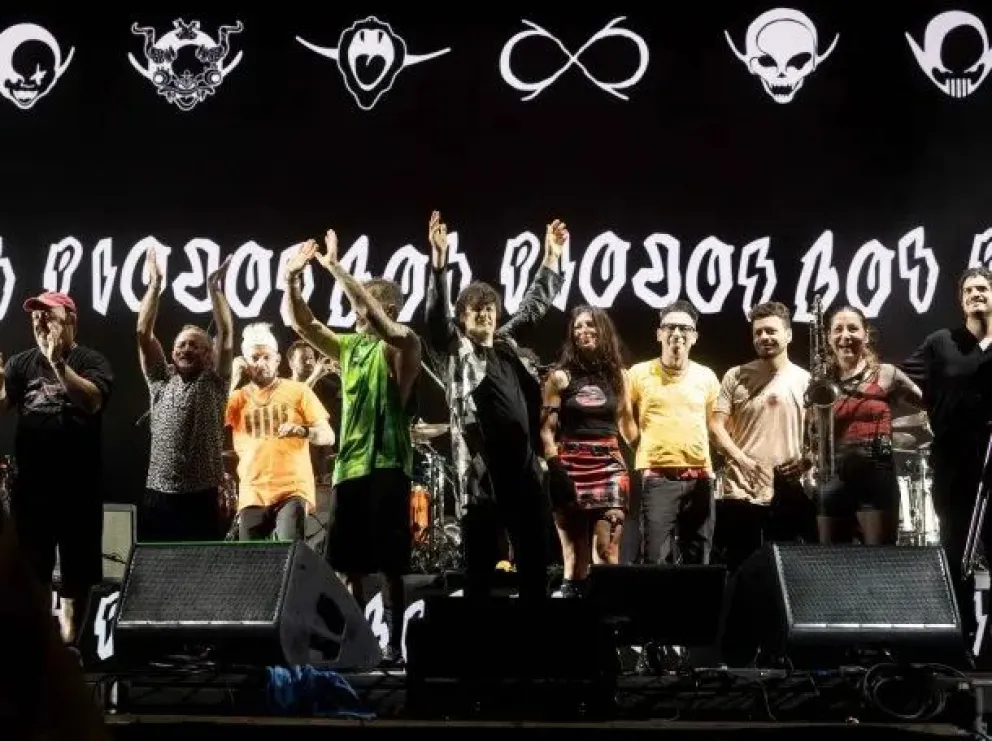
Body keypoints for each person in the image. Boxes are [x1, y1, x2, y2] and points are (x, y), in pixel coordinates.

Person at [285, 232, 420, 664]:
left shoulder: (404, 341)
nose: (356, 308)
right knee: (350, 565)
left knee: (391, 565)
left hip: (388, 465)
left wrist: (335, 267)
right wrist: (291, 281)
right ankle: (357, 643)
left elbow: (377, 319)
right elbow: (303, 325)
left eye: (367, 302)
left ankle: (394, 645)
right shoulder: (349, 347)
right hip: (351, 468)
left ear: (388, 310)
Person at [425, 210, 566, 600]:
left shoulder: (506, 346)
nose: (485, 313)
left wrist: (551, 258)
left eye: (489, 308)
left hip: (523, 473)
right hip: (481, 477)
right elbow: (435, 319)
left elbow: (533, 308)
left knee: (534, 569)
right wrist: (439, 264)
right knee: (480, 575)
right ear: (462, 318)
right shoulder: (457, 352)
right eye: (476, 309)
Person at [1, 291, 113, 645]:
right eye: (35, 317)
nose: (40, 322)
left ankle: (70, 647)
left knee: (76, 575)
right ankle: (39, 649)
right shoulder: (20, 363)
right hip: (31, 488)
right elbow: (3, 406)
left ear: (71, 321)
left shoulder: (90, 360)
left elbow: (92, 401)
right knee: (32, 571)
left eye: (48, 316)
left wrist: (58, 365)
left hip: (78, 487)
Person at [902, 266, 992, 642]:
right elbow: (904, 381)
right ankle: (961, 634)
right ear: (961, 300)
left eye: (983, 288)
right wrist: (933, 412)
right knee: (956, 545)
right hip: (954, 459)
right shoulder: (941, 343)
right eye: (969, 290)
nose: (976, 294)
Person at [708, 301, 815, 573]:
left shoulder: (806, 381)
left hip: (787, 490)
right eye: (758, 332)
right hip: (740, 490)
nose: (764, 337)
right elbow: (716, 426)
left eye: (771, 331)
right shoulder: (735, 375)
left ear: (788, 335)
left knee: (785, 572)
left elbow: (818, 437)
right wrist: (742, 460)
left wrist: (806, 462)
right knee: (740, 569)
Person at [136, 245, 234, 542]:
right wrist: (155, 285)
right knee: (157, 564)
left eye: (196, 345)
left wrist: (214, 290)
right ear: (172, 352)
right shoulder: (160, 380)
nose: (187, 349)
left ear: (209, 355)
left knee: (199, 565)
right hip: (159, 493)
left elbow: (226, 334)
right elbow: (143, 333)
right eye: (182, 344)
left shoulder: (214, 382)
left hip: (202, 495)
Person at [541, 306, 636, 597]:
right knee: (574, 559)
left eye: (590, 325)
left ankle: (608, 619)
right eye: (578, 326)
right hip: (570, 465)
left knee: (606, 551)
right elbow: (545, 431)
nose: (584, 331)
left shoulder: (620, 376)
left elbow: (627, 425)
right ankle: (574, 621)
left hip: (609, 465)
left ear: (603, 330)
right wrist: (555, 467)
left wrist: (652, 452)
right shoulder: (559, 377)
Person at [816, 305, 922, 545]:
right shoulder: (822, 382)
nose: (845, 335)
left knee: (878, 558)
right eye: (838, 330)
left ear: (865, 334)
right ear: (829, 338)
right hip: (835, 477)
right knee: (830, 561)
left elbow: (927, 406)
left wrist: (901, 433)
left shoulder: (887, 374)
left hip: (877, 474)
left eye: (852, 329)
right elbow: (814, 432)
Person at [627, 300, 720, 565]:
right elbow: (623, 416)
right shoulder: (638, 373)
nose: (677, 333)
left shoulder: (707, 376)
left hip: (700, 477)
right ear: (659, 334)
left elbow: (715, 425)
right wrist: (642, 446)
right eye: (670, 327)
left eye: (684, 328)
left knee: (698, 558)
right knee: (654, 557)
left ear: (695, 337)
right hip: (658, 478)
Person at [226, 322, 334, 542]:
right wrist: (232, 379)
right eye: (255, 358)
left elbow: (328, 436)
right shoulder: (237, 398)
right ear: (245, 363)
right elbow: (212, 423)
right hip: (252, 491)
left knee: (288, 550)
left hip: (293, 488)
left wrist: (303, 431)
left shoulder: (298, 391)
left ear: (277, 360)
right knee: (250, 558)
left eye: (267, 357)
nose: (261, 363)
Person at [286, 339, 340, 485]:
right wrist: (315, 376)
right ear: (291, 364)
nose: (309, 362)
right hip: (297, 453)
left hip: (322, 454)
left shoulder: (325, 386)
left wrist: (342, 373)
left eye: (311, 358)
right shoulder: (283, 386)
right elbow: (294, 402)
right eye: (303, 359)